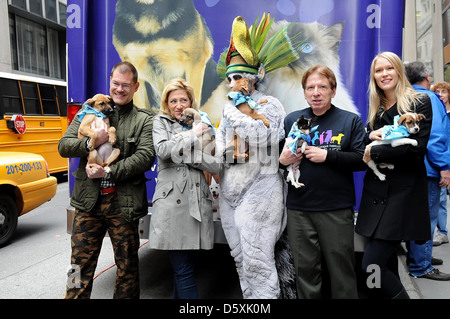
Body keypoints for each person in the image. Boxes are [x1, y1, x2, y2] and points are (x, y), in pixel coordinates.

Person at [215, 15, 300, 299]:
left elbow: (264, 137)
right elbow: (220, 146)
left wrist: (230, 112)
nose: (233, 84)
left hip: (261, 188)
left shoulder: (270, 104)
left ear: (254, 76)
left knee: (257, 263)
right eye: (229, 78)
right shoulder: (230, 111)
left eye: (238, 77)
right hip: (229, 192)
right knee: (240, 260)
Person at [59, 61, 155, 298]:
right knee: (77, 266)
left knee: (127, 268)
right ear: (110, 82)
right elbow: (64, 146)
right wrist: (90, 142)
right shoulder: (86, 112)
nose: (119, 89)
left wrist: (109, 172)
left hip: (124, 205)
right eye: (115, 84)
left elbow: (144, 157)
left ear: (135, 87)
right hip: (88, 202)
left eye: (125, 85)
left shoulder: (145, 120)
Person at [279, 64, 366, 299]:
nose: (316, 92)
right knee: (305, 272)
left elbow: (361, 160)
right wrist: (283, 159)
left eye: (322, 87)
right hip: (299, 209)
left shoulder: (350, 121)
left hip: (336, 209)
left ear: (333, 91)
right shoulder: (292, 120)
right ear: (305, 92)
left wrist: (328, 155)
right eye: (310, 87)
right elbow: (279, 161)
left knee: (342, 271)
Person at [355, 52, 433, 299]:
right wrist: (370, 140)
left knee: (371, 266)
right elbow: (365, 146)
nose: (384, 74)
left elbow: (416, 148)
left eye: (389, 68)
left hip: (402, 195)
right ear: (374, 77)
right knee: (385, 265)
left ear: (398, 70)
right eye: (379, 70)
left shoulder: (419, 102)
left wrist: (375, 149)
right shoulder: (375, 109)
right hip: (376, 194)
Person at [149, 78, 221, 299]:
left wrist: (183, 153)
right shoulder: (160, 122)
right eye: (173, 101)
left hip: (198, 204)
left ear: (191, 101)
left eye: (183, 99)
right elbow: (162, 151)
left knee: (185, 270)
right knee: (184, 271)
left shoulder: (202, 123)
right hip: (173, 205)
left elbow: (216, 163)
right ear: (166, 103)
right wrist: (192, 136)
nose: (178, 105)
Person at [404, 61, 450, 280]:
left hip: (409, 166)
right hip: (429, 168)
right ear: (427, 77)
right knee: (427, 218)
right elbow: (435, 137)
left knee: (415, 216)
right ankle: (421, 265)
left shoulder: (406, 96)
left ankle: (421, 256)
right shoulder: (431, 98)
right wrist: (444, 167)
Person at [431, 81, 450, 246]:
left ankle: (442, 231)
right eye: (438, 91)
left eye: (444, 91)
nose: (441, 94)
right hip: (442, 159)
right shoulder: (436, 109)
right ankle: (441, 232)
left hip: (446, 158)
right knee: (441, 198)